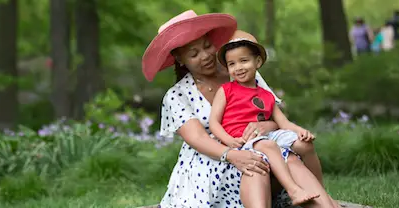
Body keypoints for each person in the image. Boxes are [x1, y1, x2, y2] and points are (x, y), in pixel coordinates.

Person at [142, 10, 336, 207]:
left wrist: (265, 126)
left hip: (259, 144)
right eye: (194, 54)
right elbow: (198, 139)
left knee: (289, 158)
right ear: (180, 59)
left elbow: (271, 113)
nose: (206, 56)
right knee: (255, 166)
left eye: (207, 46)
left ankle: (325, 204)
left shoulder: (239, 69)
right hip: (212, 160)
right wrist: (232, 154)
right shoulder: (177, 96)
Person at [209, 30, 342, 206]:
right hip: (243, 139)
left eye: (244, 61)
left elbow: (283, 123)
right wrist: (228, 140)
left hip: (268, 136)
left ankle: (320, 190)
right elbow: (213, 122)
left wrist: (300, 131)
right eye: (232, 64)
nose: (238, 67)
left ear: (257, 62)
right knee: (269, 145)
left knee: (305, 144)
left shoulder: (267, 95)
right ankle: (293, 190)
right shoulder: (226, 91)